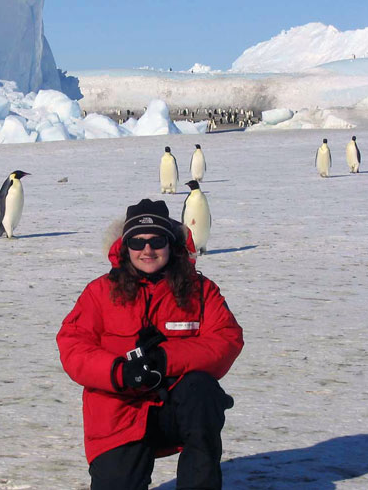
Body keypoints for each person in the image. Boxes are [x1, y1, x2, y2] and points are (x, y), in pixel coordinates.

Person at [57, 198, 244, 489]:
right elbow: (73, 345)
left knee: (202, 391)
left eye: (157, 240)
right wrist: (119, 372)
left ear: (171, 244)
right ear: (124, 246)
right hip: (119, 410)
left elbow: (227, 338)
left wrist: (166, 359)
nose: (147, 249)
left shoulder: (199, 290)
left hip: (175, 406)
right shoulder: (100, 292)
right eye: (137, 242)